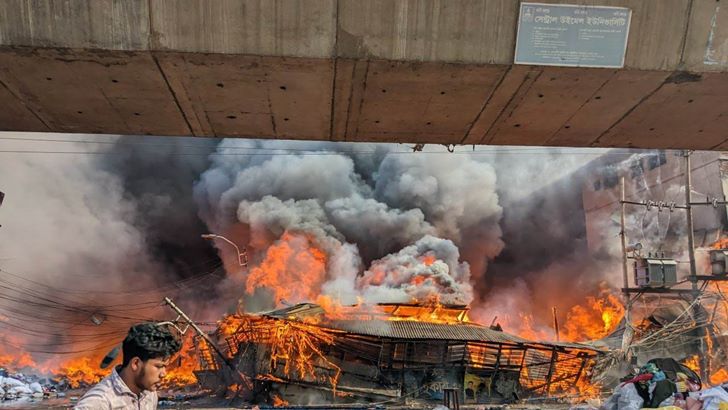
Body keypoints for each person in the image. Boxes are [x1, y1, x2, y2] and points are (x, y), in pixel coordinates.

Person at [75, 323, 182, 409]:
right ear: (135, 363)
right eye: (159, 366)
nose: (164, 374)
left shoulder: (149, 393)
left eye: (165, 367)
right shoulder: (99, 402)